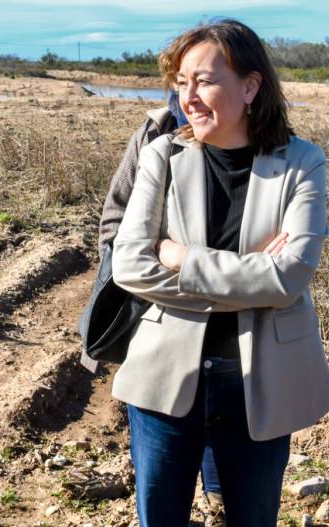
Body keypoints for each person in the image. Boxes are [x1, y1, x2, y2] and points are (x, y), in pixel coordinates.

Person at [111, 18, 329, 526]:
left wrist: (181, 257)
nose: (188, 97)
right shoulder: (162, 155)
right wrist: (252, 274)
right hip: (164, 375)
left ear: (251, 86)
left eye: (205, 80)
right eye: (181, 82)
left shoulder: (302, 163)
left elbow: (291, 276)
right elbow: (128, 263)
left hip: (258, 380)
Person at [94, 90, 225, 517]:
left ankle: (217, 489)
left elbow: (281, 267)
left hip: (225, 323)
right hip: (159, 300)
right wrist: (130, 266)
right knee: (169, 394)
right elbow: (116, 212)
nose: (194, 100)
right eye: (185, 86)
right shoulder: (155, 134)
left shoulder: (265, 147)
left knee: (217, 389)